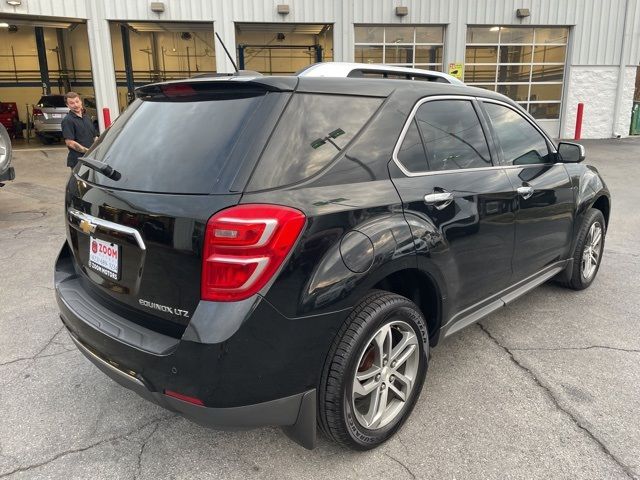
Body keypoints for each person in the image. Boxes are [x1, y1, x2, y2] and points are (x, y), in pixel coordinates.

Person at [61, 91, 98, 169]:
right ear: (67, 105)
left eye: (77, 101)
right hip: (78, 161)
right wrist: (88, 151)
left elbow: (94, 136)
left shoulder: (87, 117)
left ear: (81, 102)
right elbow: (70, 143)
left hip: (92, 159)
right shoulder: (68, 120)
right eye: (72, 103)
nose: (76, 105)